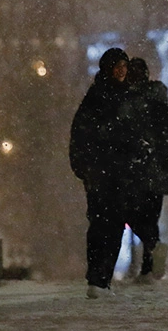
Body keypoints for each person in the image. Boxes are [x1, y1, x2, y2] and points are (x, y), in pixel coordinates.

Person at [69, 47, 132, 298]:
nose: (121, 70)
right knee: (106, 224)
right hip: (105, 172)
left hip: (107, 172)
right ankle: (99, 278)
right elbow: (85, 134)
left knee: (106, 224)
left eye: (124, 66)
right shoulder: (104, 97)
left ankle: (99, 279)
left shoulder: (105, 95)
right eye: (117, 65)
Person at [119, 57, 168, 283]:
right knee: (149, 217)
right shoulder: (157, 101)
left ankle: (149, 261)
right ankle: (149, 265)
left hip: (136, 170)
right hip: (155, 171)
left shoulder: (127, 102)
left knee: (130, 213)